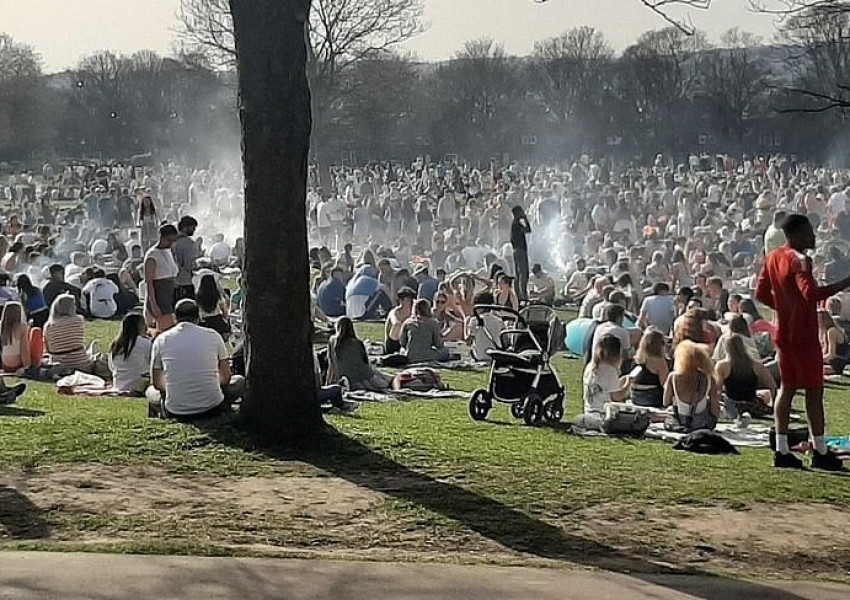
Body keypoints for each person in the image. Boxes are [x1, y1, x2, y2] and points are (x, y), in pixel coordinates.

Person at [755, 213, 850, 470]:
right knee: (814, 392)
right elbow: (810, 294)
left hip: (784, 334)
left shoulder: (773, 257)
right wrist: (844, 283)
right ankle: (819, 450)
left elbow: (760, 293)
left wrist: (785, 308)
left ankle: (782, 450)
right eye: (809, 232)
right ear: (796, 235)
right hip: (804, 336)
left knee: (787, 389)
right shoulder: (800, 260)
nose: (814, 236)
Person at [147, 299, 245, 421]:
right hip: (213, 407)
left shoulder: (161, 340)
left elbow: (157, 383)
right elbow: (226, 378)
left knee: (150, 391)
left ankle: (156, 419)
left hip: (176, 410)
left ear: (174, 318)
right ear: (198, 317)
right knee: (239, 381)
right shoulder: (213, 336)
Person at [663, 340, 721, 432]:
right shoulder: (709, 378)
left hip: (680, 421)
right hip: (702, 423)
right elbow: (715, 408)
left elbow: (665, 402)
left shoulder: (673, 377)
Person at [715, 334, 776, 418]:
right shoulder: (756, 365)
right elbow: (772, 386)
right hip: (751, 404)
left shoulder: (722, 366)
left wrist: (715, 409)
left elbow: (717, 390)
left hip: (732, 407)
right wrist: (774, 406)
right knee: (765, 393)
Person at [578, 335, 628, 430]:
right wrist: (628, 384)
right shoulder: (610, 370)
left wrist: (620, 382)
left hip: (589, 412)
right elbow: (617, 397)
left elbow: (606, 388)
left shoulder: (590, 366)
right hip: (603, 415)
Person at [327, 317, 391, 391]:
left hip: (345, 379)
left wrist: (328, 383)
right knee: (385, 380)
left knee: (381, 375)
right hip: (362, 378)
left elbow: (331, 366)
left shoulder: (332, 341)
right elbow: (365, 363)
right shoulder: (357, 343)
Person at [144, 224, 180, 333]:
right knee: (166, 330)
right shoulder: (152, 255)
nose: (171, 244)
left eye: (173, 241)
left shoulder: (168, 252)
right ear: (161, 237)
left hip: (170, 293)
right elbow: (149, 283)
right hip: (160, 295)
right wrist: (154, 305)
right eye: (169, 240)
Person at [43, 294, 92, 373]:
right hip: (82, 365)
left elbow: (47, 349)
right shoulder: (79, 320)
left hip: (59, 365)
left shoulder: (48, 325)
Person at [108, 313, 152, 394]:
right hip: (139, 386)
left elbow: (111, 367)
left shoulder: (116, 345)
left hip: (118, 385)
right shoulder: (145, 343)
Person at [629, 329, 669, 408]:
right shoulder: (659, 361)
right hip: (651, 397)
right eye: (663, 343)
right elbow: (665, 384)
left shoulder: (637, 359)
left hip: (635, 396)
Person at [0, 301, 43, 373]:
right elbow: (24, 349)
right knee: (36, 332)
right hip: (18, 365)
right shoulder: (22, 326)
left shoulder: (1, 326)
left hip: (5, 365)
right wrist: (27, 367)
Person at [196, 273, 231, 340]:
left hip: (204, 322)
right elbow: (224, 311)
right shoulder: (217, 296)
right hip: (217, 321)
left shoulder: (198, 296)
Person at [173, 215, 199, 302]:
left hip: (172, 281)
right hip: (184, 281)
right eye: (192, 228)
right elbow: (188, 265)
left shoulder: (172, 241)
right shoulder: (188, 243)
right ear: (185, 228)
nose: (194, 230)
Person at [384, 286, 415, 353]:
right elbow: (395, 323)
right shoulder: (394, 312)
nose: (410, 302)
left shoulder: (413, 311)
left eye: (411, 299)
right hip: (394, 341)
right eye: (407, 300)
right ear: (400, 300)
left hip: (407, 341)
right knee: (398, 325)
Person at [818, 310, 850, 376]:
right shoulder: (824, 333)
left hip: (840, 361)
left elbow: (831, 355)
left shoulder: (832, 331)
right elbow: (824, 351)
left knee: (817, 370)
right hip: (831, 361)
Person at [510, 205, 531, 301]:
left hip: (517, 250)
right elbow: (528, 230)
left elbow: (528, 230)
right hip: (520, 250)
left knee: (519, 273)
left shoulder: (516, 224)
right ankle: (522, 295)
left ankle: (519, 295)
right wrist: (525, 219)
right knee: (523, 273)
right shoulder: (516, 225)